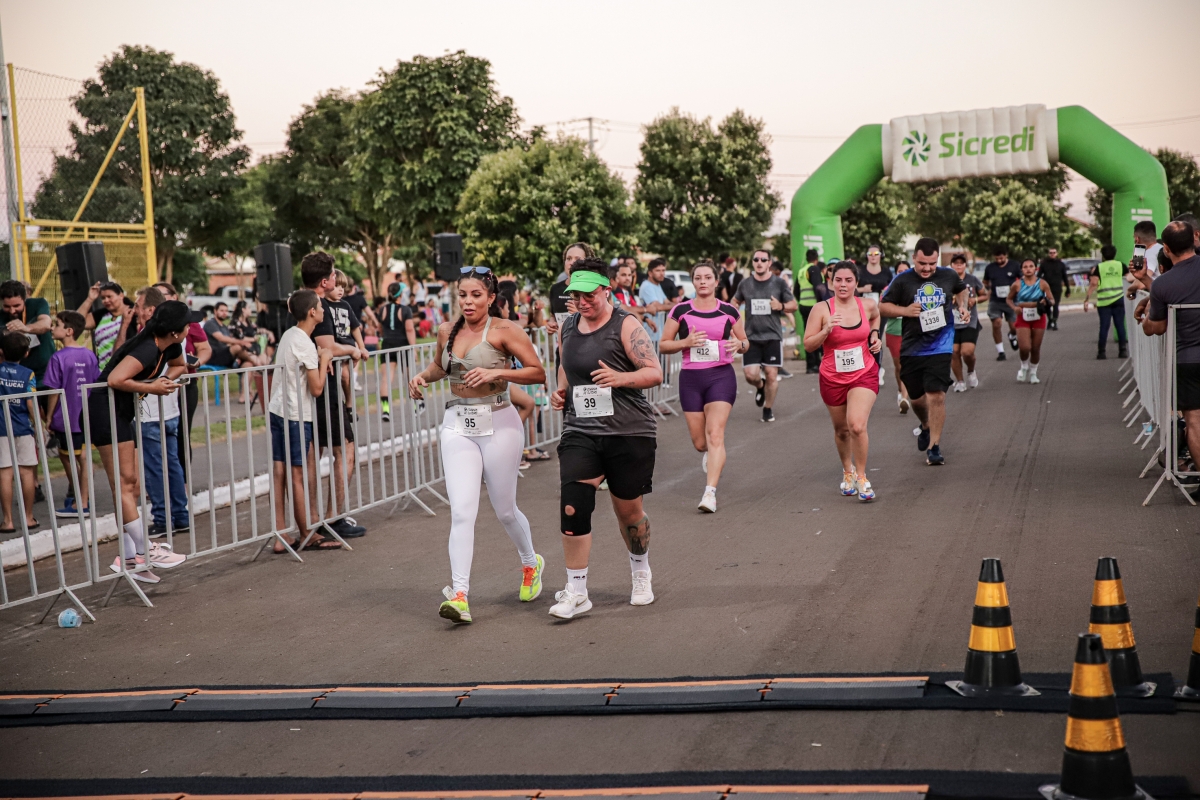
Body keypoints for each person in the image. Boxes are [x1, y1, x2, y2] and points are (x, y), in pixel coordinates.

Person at [408, 267, 547, 624]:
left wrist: (497, 372)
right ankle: (459, 595)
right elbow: (440, 366)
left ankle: (530, 563)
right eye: (462, 295)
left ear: (490, 298)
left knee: (504, 510)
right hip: (458, 424)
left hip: (499, 421)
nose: (468, 302)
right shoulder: (446, 330)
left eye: (475, 295)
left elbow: (537, 372)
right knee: (461, 512)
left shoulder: (505, 330)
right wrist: (422, 376)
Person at [548, 261, 663, 620]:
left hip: (628, 431)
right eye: (576, 295)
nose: (582, 301)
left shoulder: (626, 325)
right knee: (573, 505)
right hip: (581, 430)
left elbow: (654, 372)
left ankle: (640, 571)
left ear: (606, 290)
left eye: (589, 295)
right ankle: (577, 591)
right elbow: (566, 365)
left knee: (629, 513)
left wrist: (619, 378)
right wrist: (561, 391)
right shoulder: (568, 326)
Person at [88, 302, 191, 582]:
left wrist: (164, 381)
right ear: (174, 330)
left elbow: (179, 366)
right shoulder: (146, 347)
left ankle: (130, 558)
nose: (190, 328)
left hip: (122, 412)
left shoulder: (170, 346)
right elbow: (114, 379)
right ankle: (145, 552)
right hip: (105, 411)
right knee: (123, 484)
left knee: (131, 485)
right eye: (187, 324)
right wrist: (151, 387)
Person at [658, 261, 748, 513]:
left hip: (721, 377)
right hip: (691, 379)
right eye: (698, 278)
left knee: (715, 434)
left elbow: (744, 341)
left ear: (716, 282)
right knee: (701, 442)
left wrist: (739, 345)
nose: (703, 282)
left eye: (708, 277)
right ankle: (712, 453)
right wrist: (685, 342)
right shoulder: (681, 310)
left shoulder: (729, 311)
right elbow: (664, 344)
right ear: (693, 282)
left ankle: (710, 493)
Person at [879, 237, 968, 467]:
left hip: (941, 344)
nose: (927, 268)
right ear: (913, 258)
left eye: (932, 263)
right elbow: (883, 306)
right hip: (912, 348)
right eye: (922, 264)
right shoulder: (902, 280)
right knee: (917, 400)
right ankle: (926, 426)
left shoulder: (948, 275)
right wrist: (905, 311)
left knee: (936, 395)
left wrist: (962, 306)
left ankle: (934, 447)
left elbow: (961, 290)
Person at [301, 253, 367, 541]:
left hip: (313, 388)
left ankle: (315, 520)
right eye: (332, 276)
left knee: (314, 453)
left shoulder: (299, 301)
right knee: (344, 450)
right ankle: (330, 519)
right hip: (322, 388)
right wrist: (352, 350)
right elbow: (328, 347)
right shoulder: (318, 307)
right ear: (325, 281)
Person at [268, 289, 340, 555]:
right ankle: (307, 534)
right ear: (312, 312)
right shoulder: (306, 344)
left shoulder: (290, 335)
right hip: (296, 415)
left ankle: (280, 534)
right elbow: (317, 388)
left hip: (278, 409)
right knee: (296, 474)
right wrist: (324, 359)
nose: (323, 309)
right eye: (320, 306)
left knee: (280, 471)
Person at [803, 263, 882, 501]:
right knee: (842, 430)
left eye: (848, 280)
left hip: (863, 372)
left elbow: (876, 317)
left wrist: (875, 335)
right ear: (831, 282)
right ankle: (848, 471)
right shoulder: (821, 309)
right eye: (838, 280)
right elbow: (808, 345)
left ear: (856, 283)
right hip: (832, 377)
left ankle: (862, 477)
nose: (843, 285)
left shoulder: (867, 305)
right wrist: (825, 330)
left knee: (856, 425)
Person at [1142, 221, 1200, 468]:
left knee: (1194, 421)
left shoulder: (1162, 284)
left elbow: (1157, 327)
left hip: (1188, 359)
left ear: (1165, 249)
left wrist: (1146, 319)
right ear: (1194, 239)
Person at [42, 311, 98, 518]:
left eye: (56, 324)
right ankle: (82, 499)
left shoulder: (58, 357)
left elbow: (54, 391)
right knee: (83, 457)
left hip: (66, 418)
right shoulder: (89, 355)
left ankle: (80, 501)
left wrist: (49, 417)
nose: (52, 328)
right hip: (86, 417)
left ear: (69, 331)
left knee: (68, 458)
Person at [734, 248, 797, 423]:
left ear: (769, 263)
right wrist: (732, 310)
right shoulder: (745, 284)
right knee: (750, 375)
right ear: (753, 262)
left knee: (771, 373)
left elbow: (793, 305)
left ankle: (767, 409)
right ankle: (760, 386)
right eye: (756, 260)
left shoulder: (779, 283)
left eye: (763, 260)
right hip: (751, 336)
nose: (759, 263)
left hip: (772, 336)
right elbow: (735, 301)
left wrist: (781, 306)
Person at [154, 282, 210, 477]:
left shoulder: (190, 322)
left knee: (180, 433)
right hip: (156, 386)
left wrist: (195, 362)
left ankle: (182, 481)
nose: (159, 299)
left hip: (184, 384)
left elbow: (205, 349)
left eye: (163, 294)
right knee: (155, 436)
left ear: (174, 296)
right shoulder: (151, 323)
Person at [0, 332, 39, 533]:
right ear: (26, 353)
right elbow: (31, 404)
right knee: (27, 472)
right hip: (23, 427)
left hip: (1, 429)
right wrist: (38, 426)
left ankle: (8, 520)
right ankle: (28, 517)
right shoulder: (28, 374)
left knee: (5, 474)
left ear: (1, 352)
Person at [0, 280, 54, 386]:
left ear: (25, 299)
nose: (12, 311)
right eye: (7, 306)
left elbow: (46, 324)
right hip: (18, 378)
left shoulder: (38, 303)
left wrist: (26, 328)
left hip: (45, 374)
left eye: (17, 306)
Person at [1007, 258, 1052, 383]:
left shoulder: (1042, 283)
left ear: (1035, 268)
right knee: (1025, 347)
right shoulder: (1017, 284)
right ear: (1021, 269)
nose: (1028, 269)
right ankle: (1023, 367)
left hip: (1038, 316)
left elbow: (1052, 300)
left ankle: (1033, 373)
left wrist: (1046, 302)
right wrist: (1014, 308)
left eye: (1031, 266)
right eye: (1025, 267)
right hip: (1023, 316)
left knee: (1035, 348)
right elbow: (1009, 299)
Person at [378, 281, 417, 423]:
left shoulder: (382, 309)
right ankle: (414, 406)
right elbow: (409, 329)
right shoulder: (406, 310)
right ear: (400, 294)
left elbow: (380, 328)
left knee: (386, 379)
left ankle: (386, 410)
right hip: (403, 345)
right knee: (409, 377)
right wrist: (413, 348)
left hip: (387, 345)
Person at [1084, 245, 1129, 360]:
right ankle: (1122, 350)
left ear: (1103, 256)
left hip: (1104, 301)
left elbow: (1094, 283)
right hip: (1119, 299)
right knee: (1120, 325)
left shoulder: (1099, 267)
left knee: (1104, 326)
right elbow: (1130, 278)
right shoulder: (1121, 265)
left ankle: (1102, 352)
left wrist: (1087, 299)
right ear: (1115, 254)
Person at [949, 254, 985, 392]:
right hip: (952, 322)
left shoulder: (972, 279)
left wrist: (975, 300)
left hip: (970, 320)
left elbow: (984, 295)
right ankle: (960, 381)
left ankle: (971, 370)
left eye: (961, 262)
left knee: (967, 352)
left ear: (965, 265)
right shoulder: (947, 280)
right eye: (956, 262)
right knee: (954, 352)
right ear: (951, 265)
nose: (959, 265)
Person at [77, 281, 128, 370]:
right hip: (103, 370)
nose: (106, 301)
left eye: (109, 296)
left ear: (121, 295)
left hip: (125, 369)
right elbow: (77, 321)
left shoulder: (133, 314)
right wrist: (90, 299)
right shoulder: (102, 315)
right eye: (103, 298)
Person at [982, 245, 1020, 361]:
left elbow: (1022, 279)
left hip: (1011, 300)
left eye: (1001, 258)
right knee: (996, 323)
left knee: (1014, 327)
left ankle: (1012, 335)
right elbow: (985, 281)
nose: (999, 260)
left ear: (1006, 256)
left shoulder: (1014, 265)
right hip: (995, 300)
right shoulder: (990, 268)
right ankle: (1001, 352)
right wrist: (988, 288)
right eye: (997, 258)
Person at [204, 301, 265, 370]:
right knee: (237, 347)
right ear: (215, 311)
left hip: (226, 355)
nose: (224, 313)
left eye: (226, 311)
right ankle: (259, 365)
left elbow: (230, 341)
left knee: (248, 364)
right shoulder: (210, 323)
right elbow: (221, 338)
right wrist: (241, 342)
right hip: (214, 356)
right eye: (222, 311)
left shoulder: (224, 327)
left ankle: (253, 369)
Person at [793, 249, 824, 373]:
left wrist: (802, 301)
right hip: (813, 307)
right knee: (816, 335)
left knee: (809, 335)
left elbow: (796, 290)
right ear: (816, 259)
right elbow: (818, 287)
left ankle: (811, 365)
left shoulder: (801, 271)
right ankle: (815, 364)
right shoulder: (814, 269)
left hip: (804, 306)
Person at [638, 258, 674, 345]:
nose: (662, 273)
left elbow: (667, 302)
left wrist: (674, 305)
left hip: (657, 332)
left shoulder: (657, 285)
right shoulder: (647, 286)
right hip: (649, 333)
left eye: (663, 270)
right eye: (658, 270)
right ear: (650, 273)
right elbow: (658, 306)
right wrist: (677, 306)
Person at [1038, 247, 1070, 330]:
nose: (1052, 254)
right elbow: (1039, 275)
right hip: (1046, 288)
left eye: (1054, 253)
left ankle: (1054, 322)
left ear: (1056, 253)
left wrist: (1068, 289)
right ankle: (1050, 320)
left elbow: (1065, 277)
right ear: (1048, 254)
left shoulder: (1061, 264)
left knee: (1055, 305)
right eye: (1050, 253)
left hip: (1057, 287)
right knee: (1047, 305)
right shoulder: (1044, 264)